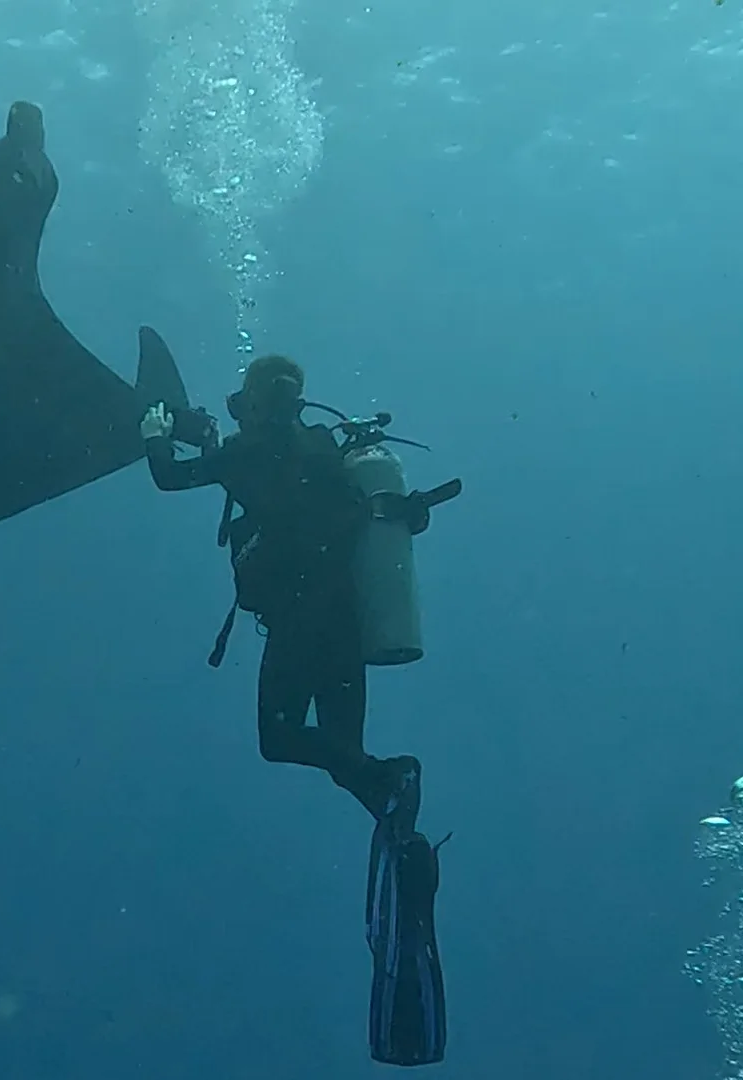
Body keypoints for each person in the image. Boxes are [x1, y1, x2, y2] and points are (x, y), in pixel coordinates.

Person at [142, 353, 451, 1067]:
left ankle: (387, 784)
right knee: (348, 751)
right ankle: (394, 810)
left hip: (299, 620)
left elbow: (172, 477)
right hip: (346, 619)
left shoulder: (249, 450)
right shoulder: (325, 451)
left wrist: (155, 431)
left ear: (254, 399)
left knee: (278, 737)